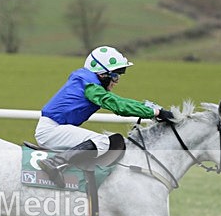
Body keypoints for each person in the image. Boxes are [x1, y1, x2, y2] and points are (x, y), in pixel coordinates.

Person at [35, 45, 173, 188]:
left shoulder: (88, 82)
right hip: (51, 131)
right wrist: (154, 112)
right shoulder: (91, 88)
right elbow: (118, 105)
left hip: (55, 128)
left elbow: (120, 101)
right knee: (103, 142)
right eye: (115, 76)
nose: (116, 81)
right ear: (102, 74)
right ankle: (54, 163)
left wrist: (150, 108)